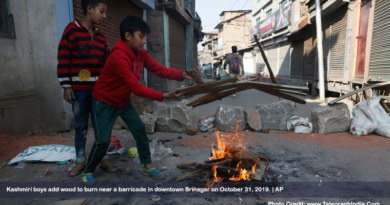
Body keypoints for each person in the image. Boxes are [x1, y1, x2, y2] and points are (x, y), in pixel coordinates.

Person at [81, 15, 200, 186]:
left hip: (122, 101)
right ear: (128, 36)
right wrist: (163, 96)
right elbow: (136, 88)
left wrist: (182, 74)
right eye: (141, 36)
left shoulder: (140, 54)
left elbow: (159, 70)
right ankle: (87, 171)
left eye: (145, 37)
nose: (144, 41)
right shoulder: (118, 57)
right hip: (104, 102)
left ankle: (147, 166)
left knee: (139, 130)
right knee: (103, 140)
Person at [57, 0, 117, 177]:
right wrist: (66, 85)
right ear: (89, 9)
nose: (105, 16)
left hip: (99, 93)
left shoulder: (101, 37)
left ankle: (102, 158)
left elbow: (108, 64)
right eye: (102, 11)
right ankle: (81, 161)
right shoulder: (71, 31)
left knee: (101, 127)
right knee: (81, 126)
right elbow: (63, 59)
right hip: (79, 91)